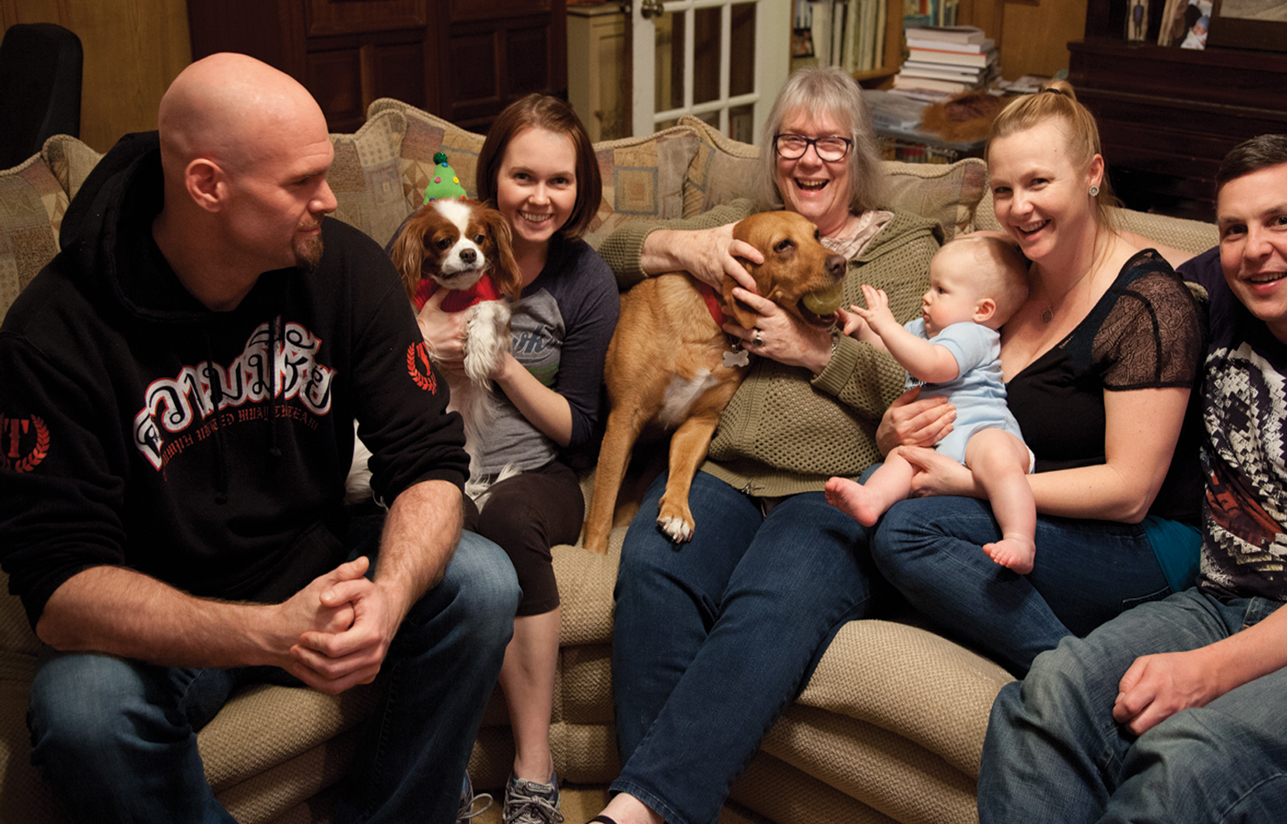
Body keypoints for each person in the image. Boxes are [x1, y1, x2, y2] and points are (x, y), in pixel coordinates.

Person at [0, 53, 519, 824]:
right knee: (82, 707)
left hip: (318, 558)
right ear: (207, 186)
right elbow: (60, 591)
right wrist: (267, 634)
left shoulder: (342, 268)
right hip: (162, 602)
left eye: (326, 173)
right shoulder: (55, 333)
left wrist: (388, 598)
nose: (330, 198)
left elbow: (428, 464)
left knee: (481, 581)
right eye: (300, 183)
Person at [979, 134, 1287, 824]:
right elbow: (1130, 265)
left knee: (1184, 757)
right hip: (1222, 597)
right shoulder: (1228, 292)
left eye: (1282, 221)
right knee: (1044, 697)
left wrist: (1208, 670)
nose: (1255, 248)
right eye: (1235, 229)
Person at [585, 66, 950, 824]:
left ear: (859, 155)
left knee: (770, 605)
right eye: (793, 139)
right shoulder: (743, 223)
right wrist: (690, 248)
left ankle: (636, 813)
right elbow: (609, 252)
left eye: (829, 142)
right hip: (716, 472)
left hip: (829, 485)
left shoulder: (907, 249)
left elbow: (920, 392)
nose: (809, 158)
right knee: (653, 573)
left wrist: (814, 351)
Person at [868, 82, 1205, 677]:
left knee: (907, 532)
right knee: (839, 509)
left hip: (1139, 542)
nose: (1018, 207)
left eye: (1038, 182)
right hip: (1022, 508)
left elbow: (1130, 494)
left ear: (1092, 173)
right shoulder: (1011, 282)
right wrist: (895, 431)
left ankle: (1076, 686)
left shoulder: (1149, 305)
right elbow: (953, 388)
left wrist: (974, 483)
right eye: (1003, 190)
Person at [414, 94, 619, 824]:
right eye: (523, 176)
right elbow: (372, 362)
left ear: (579, 189)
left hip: (540, 472)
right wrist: (429, 352)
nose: (539, 198)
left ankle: (535, 768)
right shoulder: (433, 243)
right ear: (492, 175)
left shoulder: (583, 281)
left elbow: (580, 429)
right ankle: (443, 769)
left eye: (558, 181)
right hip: (442, 454)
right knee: (440, 526)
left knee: (503, 519)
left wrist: (499, 364)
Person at [826, 235, 1038, 573]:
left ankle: (1020, 538)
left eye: (941, 290)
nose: (927, 297)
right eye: (930, 285)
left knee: (998, 462)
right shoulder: (928, 331)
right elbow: (893, 347)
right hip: (940, 442)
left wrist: (888, 325)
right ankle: (871, 500)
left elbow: (933, 365)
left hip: (982, 430)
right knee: (900, 458)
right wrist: (865, 330)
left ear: (982, 310)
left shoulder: (973, 334)